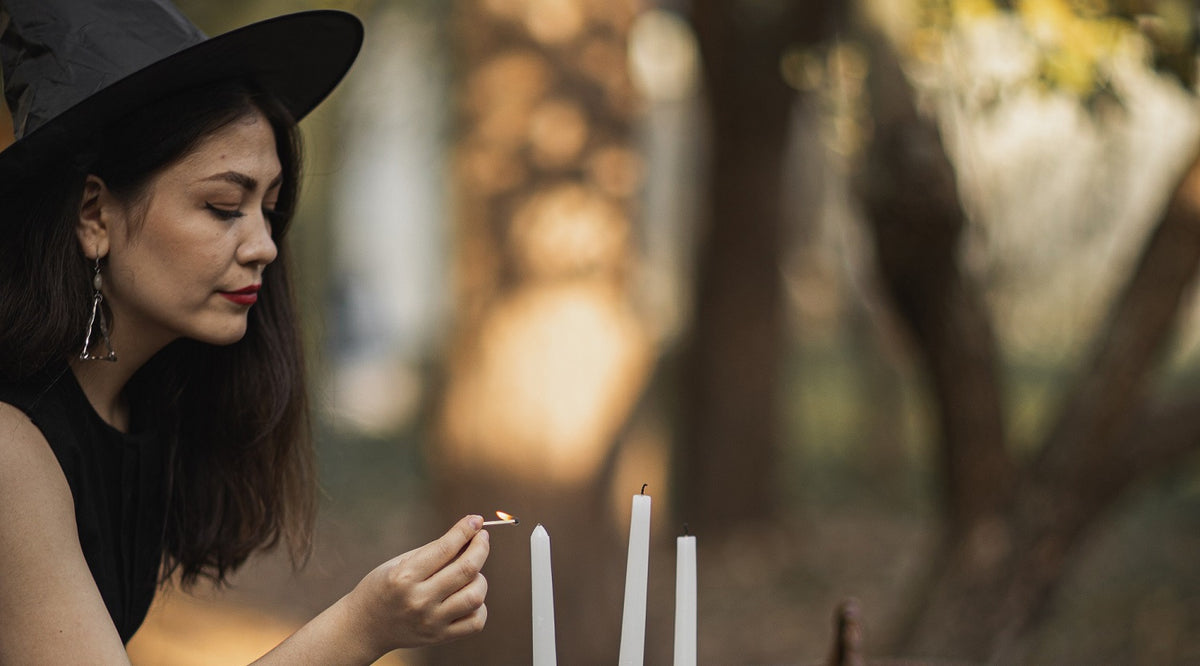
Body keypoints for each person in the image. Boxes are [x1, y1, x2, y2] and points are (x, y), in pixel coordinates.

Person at [0, 1, 490, 662]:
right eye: (223, 207)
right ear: (94, 215)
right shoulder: (11, 446)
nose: (264, 245)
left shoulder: (144, 403)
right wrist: (364, 624)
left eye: (270, 207)